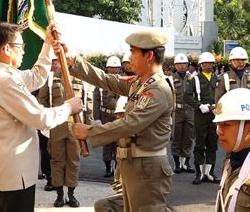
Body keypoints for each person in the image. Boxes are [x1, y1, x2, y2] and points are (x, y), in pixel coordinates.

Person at [71, 30, 174, 211]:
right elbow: (107, 80)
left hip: (147, 169)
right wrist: (74, 62)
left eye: (133, 52)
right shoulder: (139, 83)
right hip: (134, 166)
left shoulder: (158, 89)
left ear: (149, 55)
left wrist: (90, 131)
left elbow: (131, 123)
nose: (130, 57)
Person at [0, 22, 82, 212]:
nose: (23, 52)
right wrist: (68, 107)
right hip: (15, 170)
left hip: (16, 168)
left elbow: (37, 77)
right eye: (20, 47)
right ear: (6, 49)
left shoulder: (7, 76)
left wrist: (47, 43)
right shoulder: (3, 80)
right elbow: (40, 118)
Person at [37, 58, 84, 208]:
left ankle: (71, 194)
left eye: (61, 59)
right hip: (57, 125)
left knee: (74, 161)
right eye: (56, 60)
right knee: (57, 160)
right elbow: (42, 100)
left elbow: (86, 104)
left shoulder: (80, 78)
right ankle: (59, 195)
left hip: (75, 126)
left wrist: (88, 125)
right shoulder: (50, 78)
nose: (59, 62)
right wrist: (46, 122)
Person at [184, 52, 219, 184]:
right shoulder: (196, 79)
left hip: (215, 114)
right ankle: (199, 173)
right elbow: (187, 96)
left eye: (211, 63)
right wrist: (199, 106)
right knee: (200, 144)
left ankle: (209, 172)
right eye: (206, 63)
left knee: (212, 143)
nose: (209, 65)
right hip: (201, 114)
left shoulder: (218, 79)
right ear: (201, 65)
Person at [94, 96, 128, 212]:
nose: (118, 117)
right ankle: (108, 167)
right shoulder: (123, 140)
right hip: (126, 193)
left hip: (140, 195)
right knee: (101, 205)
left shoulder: (137, 142)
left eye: (122, 114)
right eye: (118, 114)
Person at [93, 56, 122, 177]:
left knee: (118, 143)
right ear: (107, 69)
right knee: (107, 143)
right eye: (111, 68)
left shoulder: (123, 81)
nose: (114, 71)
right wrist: (97, 118)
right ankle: (107, 167)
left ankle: (117, 167)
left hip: (118, 116)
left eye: (116, 68)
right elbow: (96, 100)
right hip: (105, 115)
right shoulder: (101, 82)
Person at [171, 53, 195, 174]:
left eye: (184, 63)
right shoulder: (170, 79)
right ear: (175, 65)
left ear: (187, 65)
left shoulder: (192, 78)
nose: (181, 66)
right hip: (177, 111)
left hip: (190, 110)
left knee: (188, 137)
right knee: (176, 137)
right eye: (179, 64)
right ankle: (176, 163)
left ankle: (186, 162)